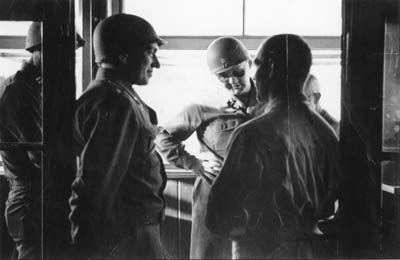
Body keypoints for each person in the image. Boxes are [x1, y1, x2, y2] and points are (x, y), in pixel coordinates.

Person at [206, 34, 342, 259]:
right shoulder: (327, 132)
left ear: (269, 67)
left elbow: (217, 217)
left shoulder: (252, 134)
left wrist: (262, 233)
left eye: (256, 65)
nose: (254, 76)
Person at [155, 36, 265, 259]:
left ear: (249, 64)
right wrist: (192, 162)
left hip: (256, 195)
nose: (232, 80)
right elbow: (162, 136)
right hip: (213, 194)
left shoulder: (270, 101)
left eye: (238, 72)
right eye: (223, 76)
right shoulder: (203, 106)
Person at [69, 14, 167, 259]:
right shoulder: (115, 102)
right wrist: (86, 249)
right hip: (128, 239)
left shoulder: (113, 94)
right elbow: (97, 187)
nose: (156, 64)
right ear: (123, 54)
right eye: (150, 52)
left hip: (135, 234)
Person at [0, 22, 43, 259]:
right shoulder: (18, 91)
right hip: (28, 198)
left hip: (36, 196)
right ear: (36, 51)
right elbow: (38, 155)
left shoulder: (35, 88)